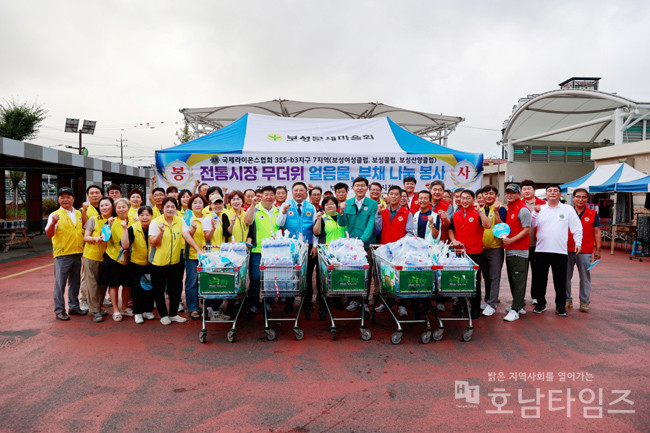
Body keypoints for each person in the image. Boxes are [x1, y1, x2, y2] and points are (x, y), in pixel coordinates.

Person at [530, 184, 583, 316]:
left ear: (560, 194)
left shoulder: (568, 209)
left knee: (560, 280)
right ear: (546, 194)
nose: (552, 193)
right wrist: (535, 213)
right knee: (540, 280)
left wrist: (578, 242)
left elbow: (577, 227)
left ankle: (560, 306)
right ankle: (541, 304)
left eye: (555, 191)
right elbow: (531, 224)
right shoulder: (539, 209)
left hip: (560, 251)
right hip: (541, 250)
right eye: (549, 191)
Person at [447, 189, 492, 318]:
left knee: (475, 282)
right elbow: (451, 230)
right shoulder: (456, 214)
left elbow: (488, 225)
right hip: (459, 253)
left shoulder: (478, 214)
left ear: (473, 200)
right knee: (459, 279)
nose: (465, 201)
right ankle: (460, 305)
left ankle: (475, 309)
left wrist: (480, 211)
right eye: (463, 198)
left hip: (475, 253)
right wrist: (454, 240)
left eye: (468, 198)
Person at [277, 182, 319, 315]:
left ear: (306, 193)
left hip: (307, 246)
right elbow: (279, 223)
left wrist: (315, 246)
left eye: (301, 190)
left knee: (306, 275)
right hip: (291, 248)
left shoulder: (311, 207)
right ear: (292, 192)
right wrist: (283, 211)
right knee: (290, 275)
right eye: (296, 190)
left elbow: (315, 228)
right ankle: (289, 302)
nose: (298, 193)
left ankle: (307, 303)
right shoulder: (286, 205)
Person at [45, 187, 87, 321]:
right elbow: (49, 234)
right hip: (62, 254)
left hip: (77, 253)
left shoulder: (79, 214)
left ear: (73, 199)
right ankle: (59, 310)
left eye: (68, 197)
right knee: (60, 284)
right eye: (62, 197)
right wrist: (53, 223)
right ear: (58, 199)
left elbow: (84, 228)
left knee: (75, 283)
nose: (65, 200)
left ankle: (74, 307)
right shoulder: (54, 215)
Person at [338, 177, 378, 312]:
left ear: (367, 188)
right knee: (352, 272)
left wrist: (362, 241)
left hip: (365, 246)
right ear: (353, 188)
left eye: (362, 185)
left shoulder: (372, 204)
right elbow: (342, 223)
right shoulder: (347, 203)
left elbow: (371, 224)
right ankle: (353, 300)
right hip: (350, 247)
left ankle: (364, 300)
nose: (360, 188)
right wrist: (341, 211)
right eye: (357, 185)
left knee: (367, 273)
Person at [374, 185, 415, 316]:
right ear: (387, 196)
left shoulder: (407, 213)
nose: (393, 196)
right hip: (385, 251)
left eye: (396, 194)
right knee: (387, 278)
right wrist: (378, 213)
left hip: (400, 252)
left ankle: (402, 305)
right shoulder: (383, 211)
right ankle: (388, 303)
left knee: (401, 278)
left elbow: (409, 233)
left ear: (401, 197)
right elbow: (378, 228)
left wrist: (399, 245)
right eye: (391, 194)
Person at [149, 197, 187, 325]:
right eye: (167, 207)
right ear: (162, 208)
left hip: (175, 262)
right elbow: (153, 243)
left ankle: (174, 314)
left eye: (172, 207)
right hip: (158, 263)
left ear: (176, 208)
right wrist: (161, 232)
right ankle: (163, 315)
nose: (170, 209)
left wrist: (198, 250)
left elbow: (187, 236)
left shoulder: (180, 221)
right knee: (158, 289)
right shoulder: (155, 222)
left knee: (175, 289)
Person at [244, 186, 280, 315]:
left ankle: (268, 301)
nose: (269, 197)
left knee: (270, 277)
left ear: (274, 196)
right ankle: (253, 302)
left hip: (274, 251)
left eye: (271, 194)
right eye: (266, 194)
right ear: (261, 196)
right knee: (255, 277)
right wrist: (252, 206)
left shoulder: (278, 211)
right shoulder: (255, 209)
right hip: (257, 250)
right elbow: (247, 222)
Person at [566, 188, 601, 313]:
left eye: (584, 197)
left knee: (585, 277)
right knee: (565, 276)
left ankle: (584, 302)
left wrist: (597, 248)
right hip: (567, 249)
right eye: (578, 197)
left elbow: (597, 232)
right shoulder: (567, 212)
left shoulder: (592, 214)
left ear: (587, 199)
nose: (581, 199)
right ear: (573, 198)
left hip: (585, 251)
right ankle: (567, 299)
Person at [121, 205, 156, 324]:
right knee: (137, 288)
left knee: (150, 287)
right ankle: (138, 312)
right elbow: (125, 245)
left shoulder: (154, 227)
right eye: (142, 215)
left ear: (151, 216)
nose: (145, 217)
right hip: (136, 263)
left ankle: (148, 310)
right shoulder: (133, 228)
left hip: (152, 262)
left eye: (147, 215)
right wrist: (125, 229)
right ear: (138, 216)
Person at [501, 184, 532, 322]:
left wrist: (511, 240)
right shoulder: (510, 208)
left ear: (519, 194)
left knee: (519, 280)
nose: (509, 195)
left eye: (513, 193)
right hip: (510, 249)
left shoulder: (523, 209)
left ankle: (516, 309)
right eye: (507, 192)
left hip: (519, 251)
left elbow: (526, 230)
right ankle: (520, 305)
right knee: (514, 280)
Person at [82, 196, 114, 322]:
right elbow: (86, 237)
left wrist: (111, 226)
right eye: (101, 205)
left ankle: (98, 307)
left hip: (108, 257)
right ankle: (94, 310)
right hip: (91, 256)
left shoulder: (116, 220)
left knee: (103, 284)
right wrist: (95, 239)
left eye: (106, 205)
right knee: (92, 284)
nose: (104, 207)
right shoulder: (93, 219)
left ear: (112, 207)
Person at [101, 197, 133, 321]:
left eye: (124, 207)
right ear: (115, 209)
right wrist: (108, 226)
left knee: (127, 285)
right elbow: (105, 238)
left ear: (128, 208)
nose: (121, 209)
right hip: (113, 258)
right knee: (113, 285)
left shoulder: (133, 222)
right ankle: (115, 310)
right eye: (118, 207)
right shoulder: (110, 221)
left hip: (129, 259)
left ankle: (124, 308)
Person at [181, 194, 210, 321]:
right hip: (192, 255)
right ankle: (193, 308)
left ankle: (206, 306)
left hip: (207, 255)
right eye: (195, 203)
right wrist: (198, 250)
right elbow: (187, 236)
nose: (198, 205)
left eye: (200, 202)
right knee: (191, 281)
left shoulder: (207, 217)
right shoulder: (188, 217)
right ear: (190, 205)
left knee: (206, 281)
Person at [480, 185, 506, 317]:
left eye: (491, 194)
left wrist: (496, 212)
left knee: (494, 276)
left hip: (495, 248)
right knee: (486, 276)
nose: (488, 196)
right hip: (481, 248)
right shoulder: (480, 209)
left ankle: (492, 304)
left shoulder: (500, 209)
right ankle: (487, 300)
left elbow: (502, 227)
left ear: (496, 196)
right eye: (486, 194)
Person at [520, 179, 546, 305]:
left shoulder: (543, 204)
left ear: (534, 190)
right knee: (521, 273)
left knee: (537, 273)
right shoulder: (517, 204)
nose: (526, 191)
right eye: (524, 189)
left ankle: (535, 296)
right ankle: (520, 296)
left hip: (537, 245)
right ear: (521, 191)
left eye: (529, 188)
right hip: (521, 245)